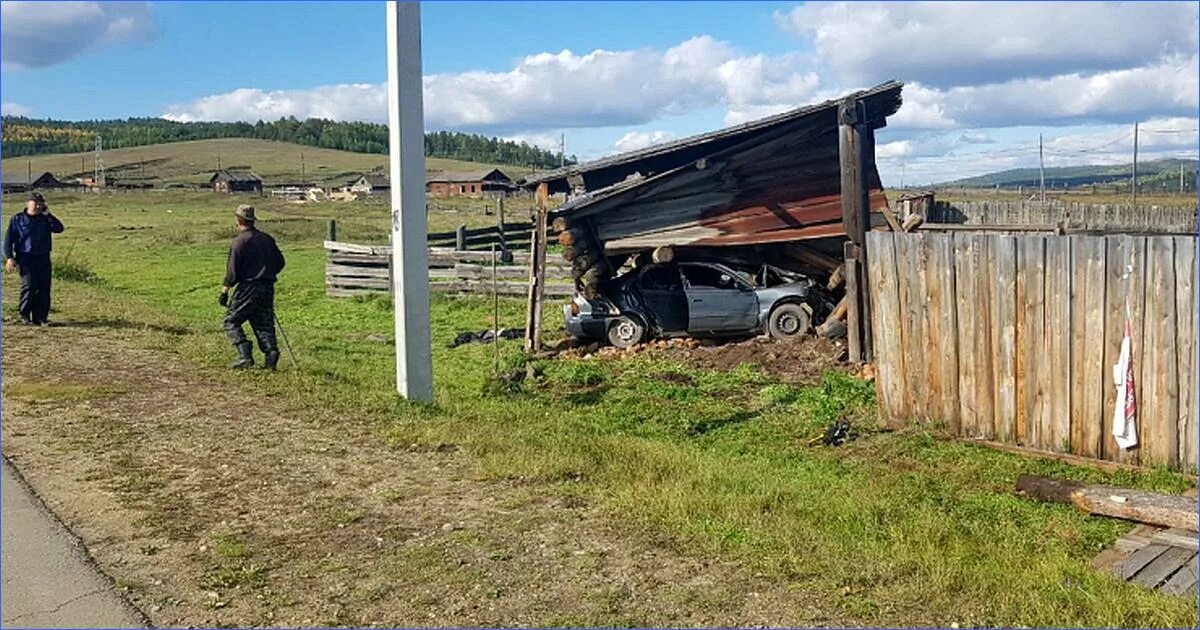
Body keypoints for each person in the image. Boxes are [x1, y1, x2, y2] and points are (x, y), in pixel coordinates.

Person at [220, 205, 285, 370]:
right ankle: (271, 355)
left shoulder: (239, 242)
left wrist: (225, 291)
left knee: (231, 321)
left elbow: (232, 272)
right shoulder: (267, 239)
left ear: (238, 220)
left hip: (248, 287)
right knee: (263, 323)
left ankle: (244, 355)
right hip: (267, 287)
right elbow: (280, 262)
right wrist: (267, 273)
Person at [3, 192, 65, 325]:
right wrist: (9, 257)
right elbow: (9, 239)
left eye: (40, 203)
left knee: (44, 287)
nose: (37, 206)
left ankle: (40, 317)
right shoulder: (17, 219)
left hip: (43, 256)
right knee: (29, 285)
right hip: (25, 257)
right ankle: (24, 315)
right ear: (28, 203)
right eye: (35, 203)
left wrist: (48, 214)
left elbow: (59, 228)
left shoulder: (45, 219)